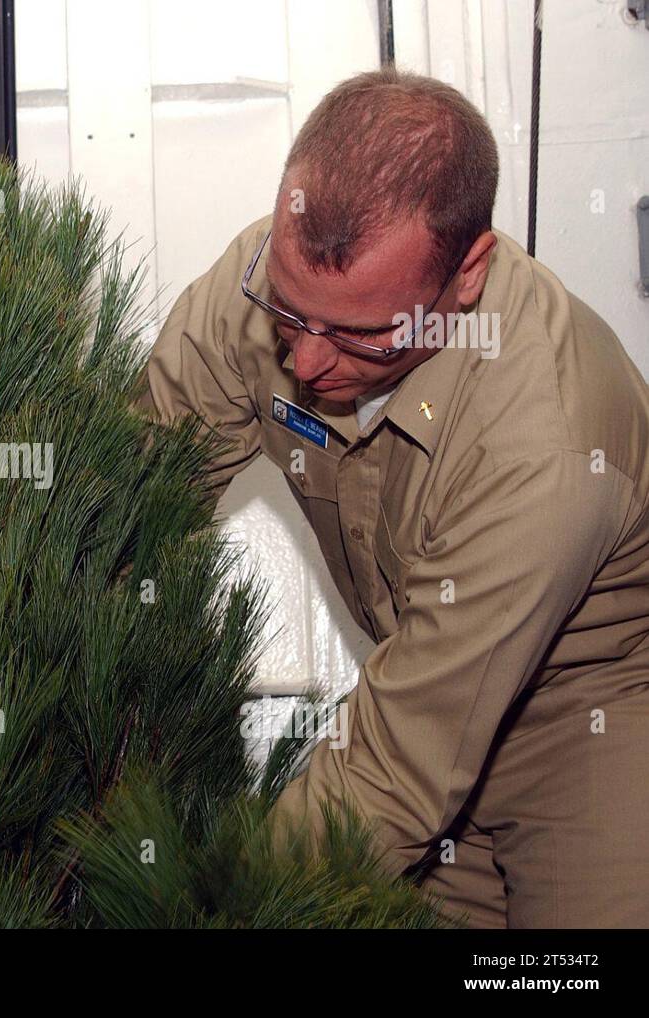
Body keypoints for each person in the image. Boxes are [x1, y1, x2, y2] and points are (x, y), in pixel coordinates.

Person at [135, 66, 649, 928]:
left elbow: (397, 767)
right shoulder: (260, 287)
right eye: (292, 314)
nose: (304, 363)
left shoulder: (545, 441)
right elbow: (131, 494)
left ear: (469, 274)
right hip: (421, 675)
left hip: (584, 718)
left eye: (360, 335)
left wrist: (217, 912)